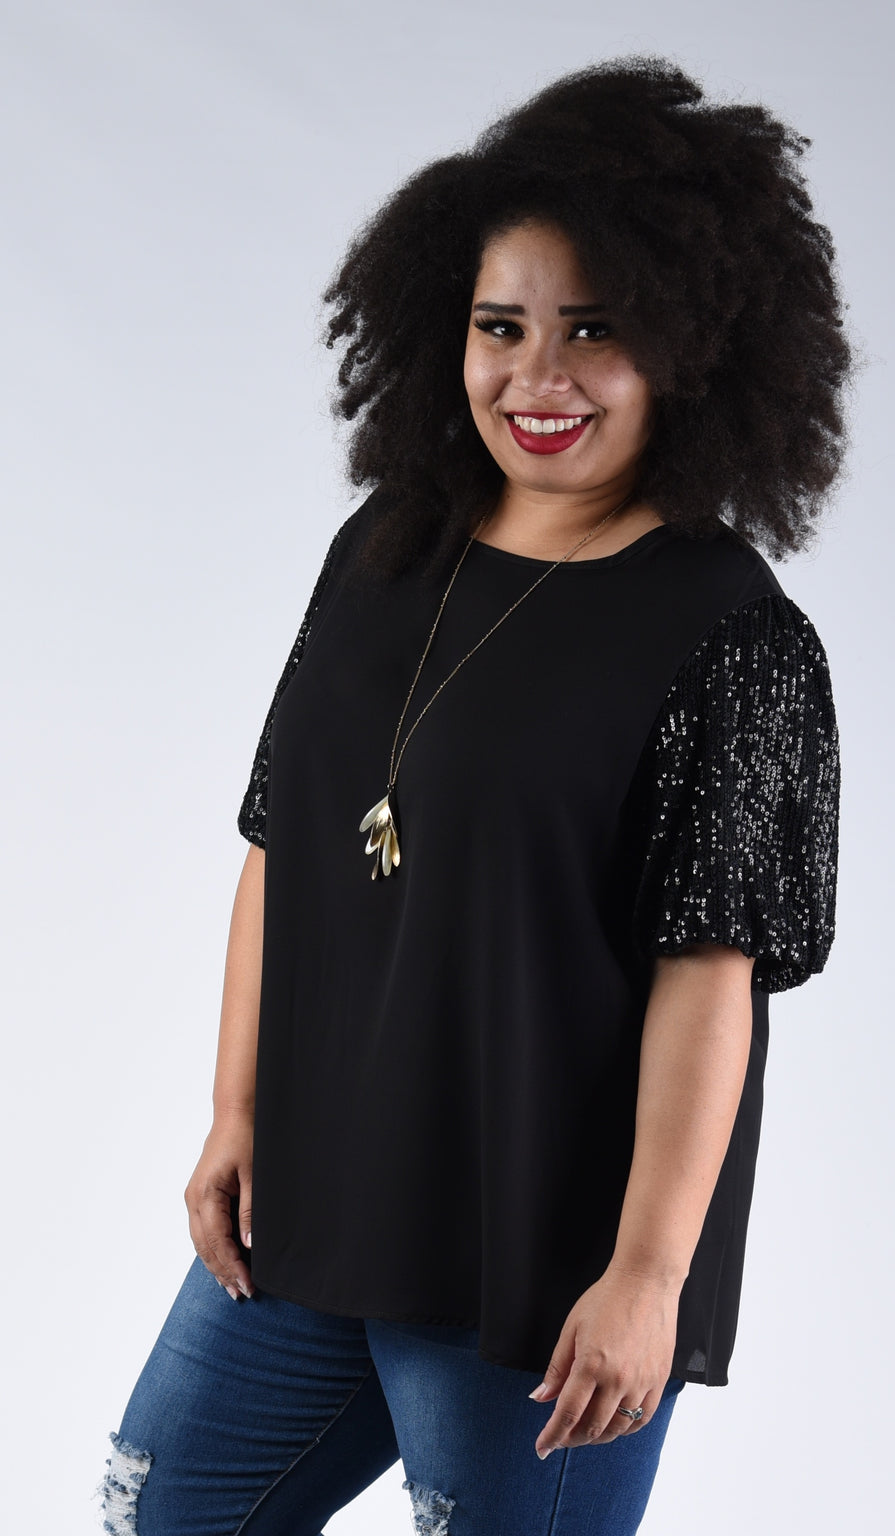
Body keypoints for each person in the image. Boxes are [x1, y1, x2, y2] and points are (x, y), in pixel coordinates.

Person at [100, 56, 849, 1536]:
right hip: (320, 1193)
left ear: (694, 347)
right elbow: (283, 844)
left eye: (595, 331)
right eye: (501, 327)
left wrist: (647, 1276)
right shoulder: (387, 548)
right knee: (160, 1511)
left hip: (541, 1250)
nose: (536, 378)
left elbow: (712, 979)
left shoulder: (731, 634)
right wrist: (237, 1111)